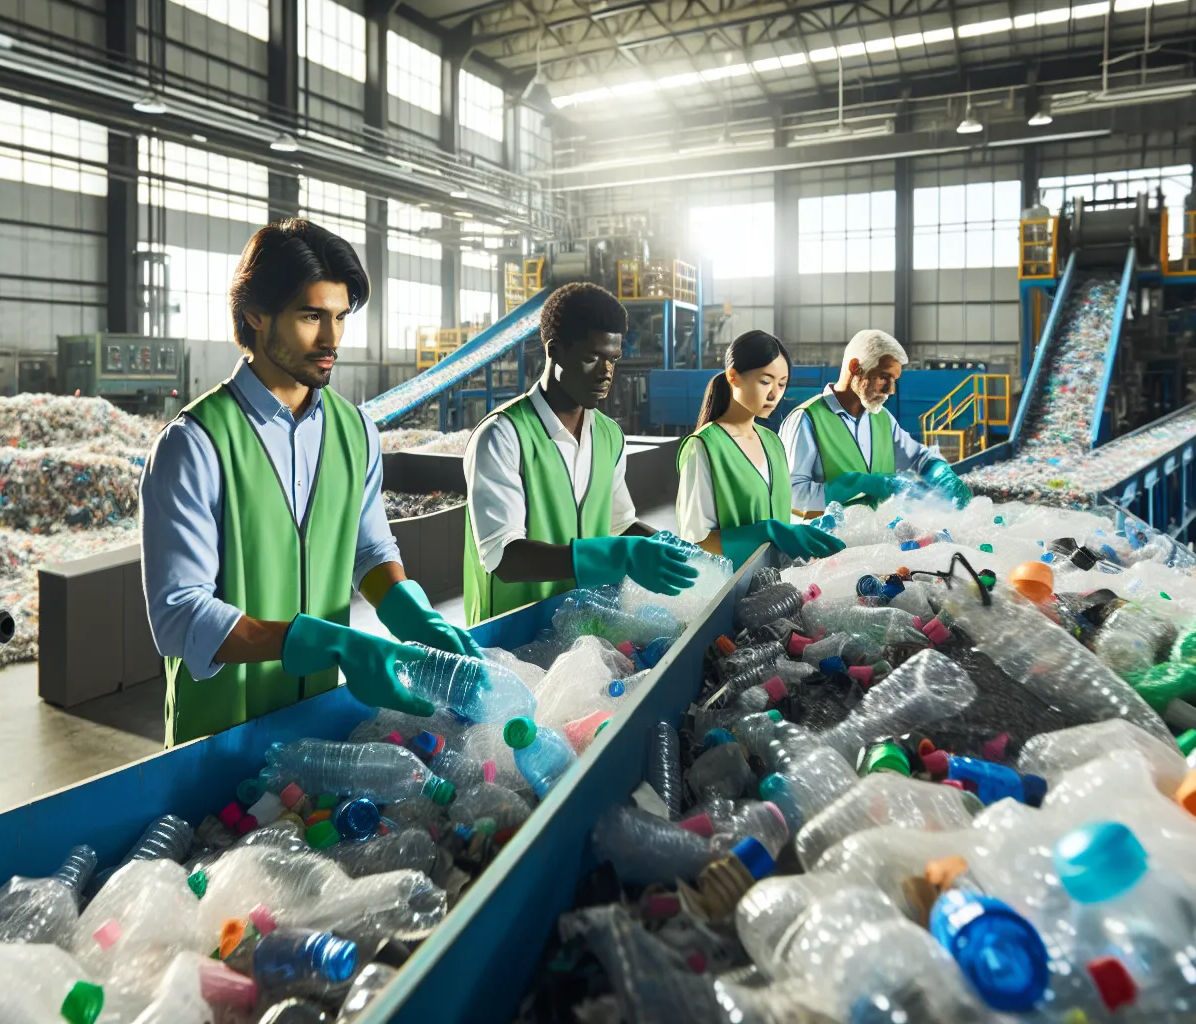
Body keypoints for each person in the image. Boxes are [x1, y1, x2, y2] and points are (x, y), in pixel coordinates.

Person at [141, 219, 475, 746]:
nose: (331, 339)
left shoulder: (355, 430)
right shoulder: (195, 443)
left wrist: (413, 614)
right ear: (255, 313)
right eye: (311, 316)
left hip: (319, 725)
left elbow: (368, 550)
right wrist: (327, 644)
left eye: (340, 317)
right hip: (219, 738)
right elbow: (179, 615)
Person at [463, 281, 698, 625]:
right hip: (513, 636)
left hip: (585, 629)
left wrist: (668, 547)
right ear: (554, 350)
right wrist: (620, 555)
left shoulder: (609, 436)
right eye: (592, 358)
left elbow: (620, 524)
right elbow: (504, 558)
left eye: (613, 359)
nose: (606, 373)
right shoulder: (502, 435)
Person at [675, 330, 845, 567]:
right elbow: (695, 542)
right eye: (765, 381)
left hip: (777, 586)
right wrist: (764, 533)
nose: (774, 394)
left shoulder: (772, 442)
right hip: (731, 588)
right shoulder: (704, 446)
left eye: (782, 384)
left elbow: (777, 512)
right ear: (733, 376)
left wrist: (797, 532)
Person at [778, 328, 971, 514]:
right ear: (855, 367)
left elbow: (918, 458)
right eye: (883, 377)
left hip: (877, 541)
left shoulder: (882, 419)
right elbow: (789, 495)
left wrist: (942, 476)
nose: (891, 390)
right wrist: (857, 485)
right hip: (824, 543)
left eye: (894, 380)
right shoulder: (806, 419)